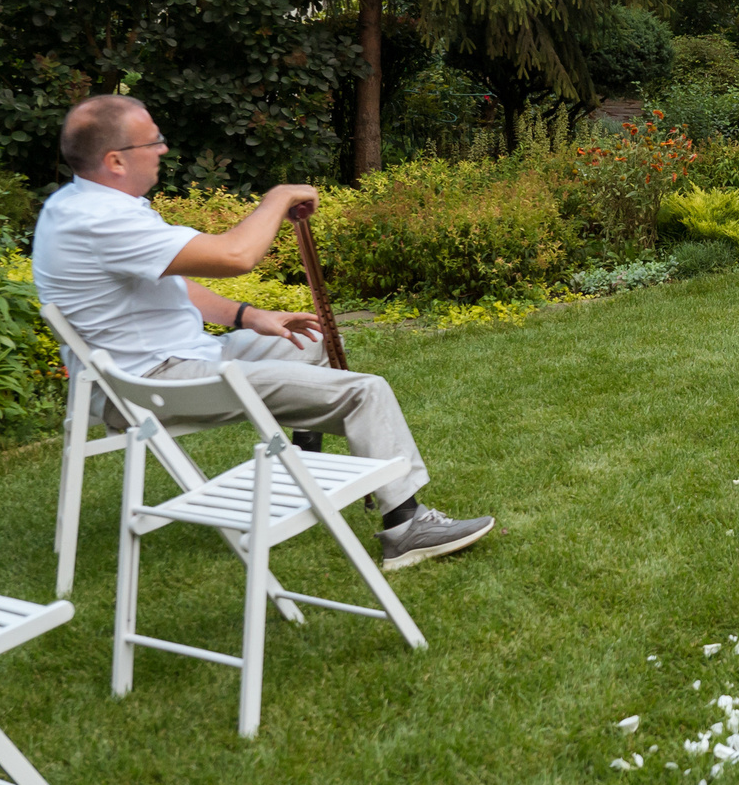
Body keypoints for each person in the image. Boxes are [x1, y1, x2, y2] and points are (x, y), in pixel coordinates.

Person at [31, 95, 494, 571]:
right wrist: (276, 198)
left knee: (306, 341)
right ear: (115, 160)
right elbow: (236, 256)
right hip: (151, 384)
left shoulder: (76, 205)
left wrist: (248, 316)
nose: (163, 149)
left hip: (149, 366)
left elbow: (169, 280)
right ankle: (406, 527)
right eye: (154, 141)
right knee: (365, 392)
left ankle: (298, 474)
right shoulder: (101, 220)